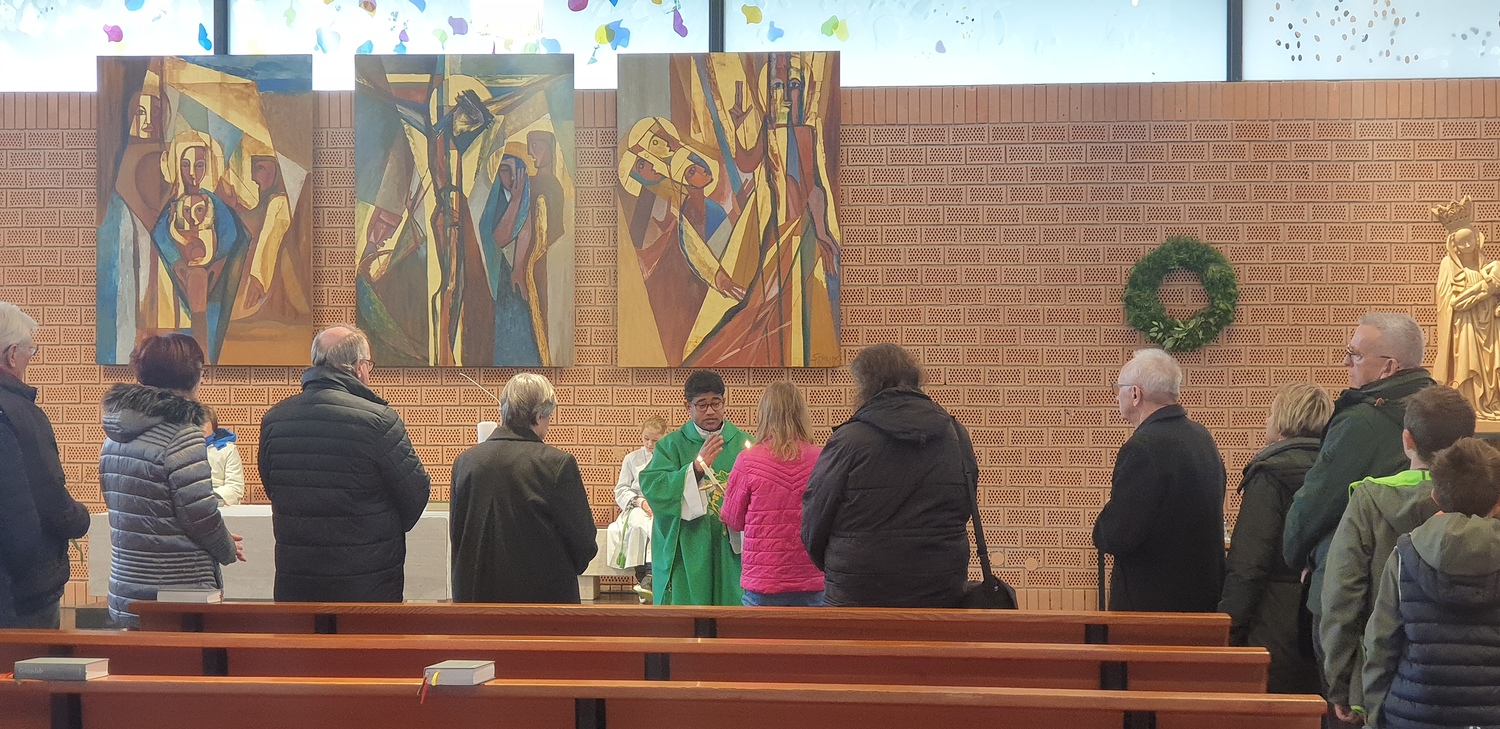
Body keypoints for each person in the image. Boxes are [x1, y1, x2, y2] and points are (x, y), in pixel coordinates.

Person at [1282, 312, 1435, 698]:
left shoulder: (1361, 423)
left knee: (1346, 705)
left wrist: (1303, 555)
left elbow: (1313, 506)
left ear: (1389, 367)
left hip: (1356, 592)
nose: (1345, 362)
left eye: (1354, 354)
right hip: (1424, 591)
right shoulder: (1444, 413)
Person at [1320, 386, 1474, 725]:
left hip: (1382, 674)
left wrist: (1343, 683)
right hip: (1470, 680)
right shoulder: (1483, 503)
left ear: (1407, 440)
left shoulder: (1370, 501)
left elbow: (1342, 594)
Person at [258, 326, 431, 602]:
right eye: (369, 364)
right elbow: (415, 494)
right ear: (359, 367)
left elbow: (273, 487)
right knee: (364, 634)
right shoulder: (378, 421)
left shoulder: (274, 420)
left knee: (305, 633)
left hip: (298, 578)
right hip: (366, 579)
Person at [802, 343, 972, 608]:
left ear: (866, 385)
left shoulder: (849, 441)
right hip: (938, 591)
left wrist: (839, 564)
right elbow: (964, 505)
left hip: (858, 593)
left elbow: (815, 516)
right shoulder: (955, 435)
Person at [100, 334, 244, 627]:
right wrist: (227, 547)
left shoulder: (114, 436)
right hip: (178, 587)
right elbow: (199, 515)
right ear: (193, 376)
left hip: (127, 582)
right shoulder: (182, 435)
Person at [1361, 438, 1500, 729]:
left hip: (1413, 714)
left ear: (1435, 496)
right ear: (1498, 503)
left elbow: (1381, 644)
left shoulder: (1405, 554)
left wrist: (1374, 715)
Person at [1220, 382, 1333, 693]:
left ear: (1284, 420)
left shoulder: (1269, 474)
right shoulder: (1338, 470)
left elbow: (1249, 563)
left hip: (1274, 620)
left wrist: (1230, 628)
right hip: (1324, 616)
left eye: (1271, 413)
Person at [1094, 348, 1227, 612]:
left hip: (1152, 607)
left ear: (1135, 394)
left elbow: (1119, 535)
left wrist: (1102, 527)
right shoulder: (1202, 437)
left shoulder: (1142, 448)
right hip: (1203, 599)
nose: (1116, 395)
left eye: (1118, 388)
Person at [450, 373, 597, 603]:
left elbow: (458, 535)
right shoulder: (556, 464)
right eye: (549, 418)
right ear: (538, 416)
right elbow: (583, 540)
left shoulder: (465, 462)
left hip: (476, 600)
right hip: (541, 603)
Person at [0, 302, 90, 628]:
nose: (29, 358)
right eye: (30, 351)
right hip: (20, 590)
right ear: (12, 355)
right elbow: (50, 502)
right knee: (32, 661)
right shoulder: (21, 416)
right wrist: (80, 518)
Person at [639, 370, 747, 605]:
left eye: (716, 403)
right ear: (687, 406)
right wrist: (695, 470)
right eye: (702, 405)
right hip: (689, 544)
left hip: (732, 549)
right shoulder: (671, 445)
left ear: (724, 402)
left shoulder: (743, 444)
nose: (710, 411)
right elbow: (654, 486)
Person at [722, 382, 825, 607]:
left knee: (761, 632)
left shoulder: (748, 460)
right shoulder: (822, 458)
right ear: (802, 415)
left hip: (763, 580)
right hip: (811, 576)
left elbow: (733, 519)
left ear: (763, 415)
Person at [609, 416, 667, 602]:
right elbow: (621, 489)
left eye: (655, 440)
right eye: (646, 438)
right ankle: (644, 576)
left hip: (661, 506)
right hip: (637, 505)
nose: (649, 444)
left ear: (664, 438)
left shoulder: (669, 458)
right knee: (639, 524)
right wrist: (640, 502)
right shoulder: (632, 459)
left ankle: (648, 579)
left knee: (657, 526)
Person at [200, 405, 244, 506]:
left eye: (204, 421)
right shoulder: (182, 449)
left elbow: (235, 487)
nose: (200, 426)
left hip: (221, 505)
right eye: (196, 422)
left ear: (213, 424)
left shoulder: (228, 449)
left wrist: (210, 500)